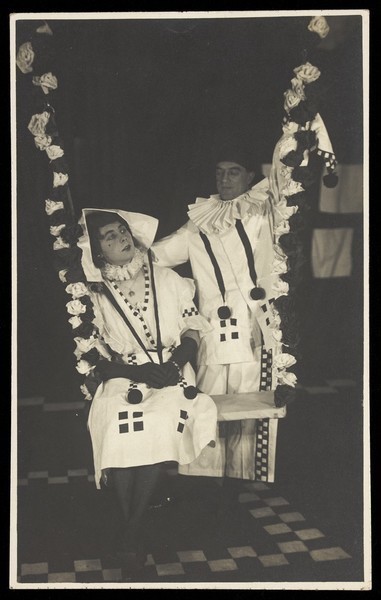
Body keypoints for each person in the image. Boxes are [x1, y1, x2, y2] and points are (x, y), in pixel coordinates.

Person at [70, 208, 218, 575]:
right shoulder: (94, 294)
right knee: (114, 422)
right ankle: (132, 527)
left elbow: (191, 328)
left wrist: (174, 363)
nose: (121, 238)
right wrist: (134, 371)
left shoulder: (167, 278)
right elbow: (94, 355)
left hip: (170, 369)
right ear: (98, 251)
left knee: (156, 423)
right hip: (125, 371)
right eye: (109, 237)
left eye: (122, 231)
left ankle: (129, 533)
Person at [152, 145, 281, 509]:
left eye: (233, 172)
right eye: (220, 172)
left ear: (249, 176)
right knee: (206, 403)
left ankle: (241, 480)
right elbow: (159, 255)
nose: (224, 179)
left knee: (249, 400)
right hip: (211, 328)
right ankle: (206, 482)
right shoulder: (198, 222)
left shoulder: (262, 213)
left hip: (252, 326)